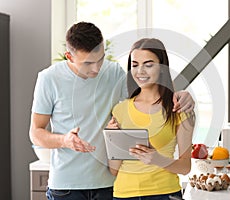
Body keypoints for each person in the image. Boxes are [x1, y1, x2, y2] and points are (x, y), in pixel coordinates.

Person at [29, 22, 195, 200]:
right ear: (69, 56)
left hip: (109, 185)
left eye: (100, 59)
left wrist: (183, 95)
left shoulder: (114, 72)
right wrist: (64, 140)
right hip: (66, 186)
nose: (96, 68)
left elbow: (148, 92)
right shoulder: (49, 79)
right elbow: (35, 133)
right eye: (88, 63)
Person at [107, 38, 195, 200]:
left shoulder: (179, 108)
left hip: (164, 193)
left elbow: (185, 167)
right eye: (134, 65)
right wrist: (113, 142)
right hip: (123, 194)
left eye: (148, 65)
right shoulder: (120, 110)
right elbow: (114, 170)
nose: (140, 71)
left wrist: (158, 160)